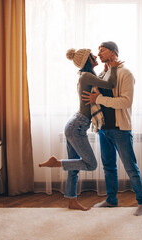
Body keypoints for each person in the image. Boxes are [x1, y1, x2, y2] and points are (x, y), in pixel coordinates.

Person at [39, 48, 123, 211]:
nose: (95, 56)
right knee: (91, 164)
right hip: (77, 127)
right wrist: (113, 68)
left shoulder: (85, 76)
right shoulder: (87, 76)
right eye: (92, 56)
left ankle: (71, 201)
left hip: (74, 125)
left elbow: (100, 82)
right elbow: (111, 84)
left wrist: (106, 70)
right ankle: (57, 163)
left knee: (74, 166)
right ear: (87, 60)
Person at [82, 41, 142, 216]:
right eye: (98, 51)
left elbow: (126, 102)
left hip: (120, 129)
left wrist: (99, 99)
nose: (99, 53)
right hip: (103, 128)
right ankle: (111, 200)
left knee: (130, 167)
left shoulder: (125, 73)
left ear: (112, 52)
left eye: (102, 50)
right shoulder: (103, 74)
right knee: (109, 166)